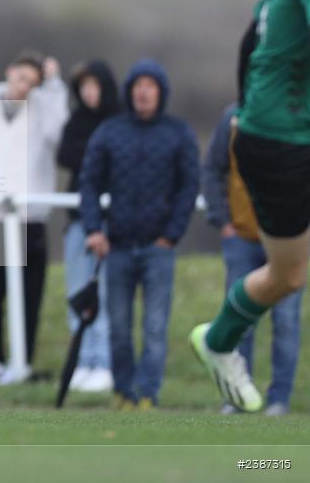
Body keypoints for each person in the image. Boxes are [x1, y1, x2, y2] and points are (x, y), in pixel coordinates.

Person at [190, 0, 310, 413]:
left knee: (288, 274)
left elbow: (250, 42)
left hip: (273, 134)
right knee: (288, 273)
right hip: (283, 141)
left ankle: (218, 340)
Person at [80, 59, 199, 410]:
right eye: (138, 85)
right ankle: (123, 393)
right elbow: (89, 182)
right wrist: (93, 230)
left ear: (161, 92)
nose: (143, 92)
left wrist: (172, 235)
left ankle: (148, 394)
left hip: (158, 247)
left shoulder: (179, 132)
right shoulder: (110, 131)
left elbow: (189, 186)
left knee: (155, 328)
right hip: (116, 247)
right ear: (129, 91)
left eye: (151, 85)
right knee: (118, 328)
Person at [0, 52, 68, 386]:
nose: (24, 87)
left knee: (29, 293)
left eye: (32, 83)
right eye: (21, 78)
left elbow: (58, 136)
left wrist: (54, 86)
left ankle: (21, 361)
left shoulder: (43, 106)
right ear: (10, 71)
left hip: (29, 215)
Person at [202, 104, 303, 416]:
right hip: (243, 238)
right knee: (240, 320)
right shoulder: (232, 118)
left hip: (288, 241)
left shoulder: (302, 119)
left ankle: (279, 399)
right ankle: (236, 398)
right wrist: (223, 222)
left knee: (286, 322)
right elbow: (212, 169)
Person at [56, 60, 120, 393]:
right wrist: (97, 152)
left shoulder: (121, 120)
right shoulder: (78, 120)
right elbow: (65, 155)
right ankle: (82, 361)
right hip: (79, 218)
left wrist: (93, 153)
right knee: (76, 291)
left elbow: (118, 159)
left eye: (94, 85)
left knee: (105, 293)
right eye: (84, 87)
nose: (89, 92)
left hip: (111, 221)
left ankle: (104, 363)